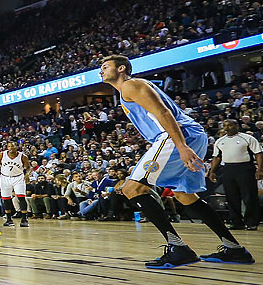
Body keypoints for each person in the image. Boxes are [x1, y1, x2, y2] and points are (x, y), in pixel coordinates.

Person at [99, 54, 254, 268]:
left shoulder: (130, 85)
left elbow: (163, 112)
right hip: (189, 134)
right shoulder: (129, 89)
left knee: (132, 189)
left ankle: (178, 248)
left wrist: (180, 145)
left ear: (121, 69)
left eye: (106, 66)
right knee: (184, 195)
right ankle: (234, 249)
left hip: (177, 135)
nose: (101, 70)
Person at [208, 119, 262, 230]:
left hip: (245, 168)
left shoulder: (247, 138)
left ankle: (251, 222)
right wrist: (212, 171)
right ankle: (236, 222)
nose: (227, 127)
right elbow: (217, 157)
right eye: (225, 125)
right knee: (231, 196)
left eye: (230, 125)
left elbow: (258, 154)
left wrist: (260, 170)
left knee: (249, 196)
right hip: (228, 168)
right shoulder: (220, 141)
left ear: (237, 126)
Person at [0, 141, 30, 227]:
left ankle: (24, 219)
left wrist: (27, 174)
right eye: (9, 146)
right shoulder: (1, 155)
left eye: (12, 146)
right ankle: (9, 219)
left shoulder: (23, 156)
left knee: (21, 197)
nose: (10, 148)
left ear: (16, 147)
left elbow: (28, 168)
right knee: (6, 199)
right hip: (5, 177)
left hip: (18, 177)